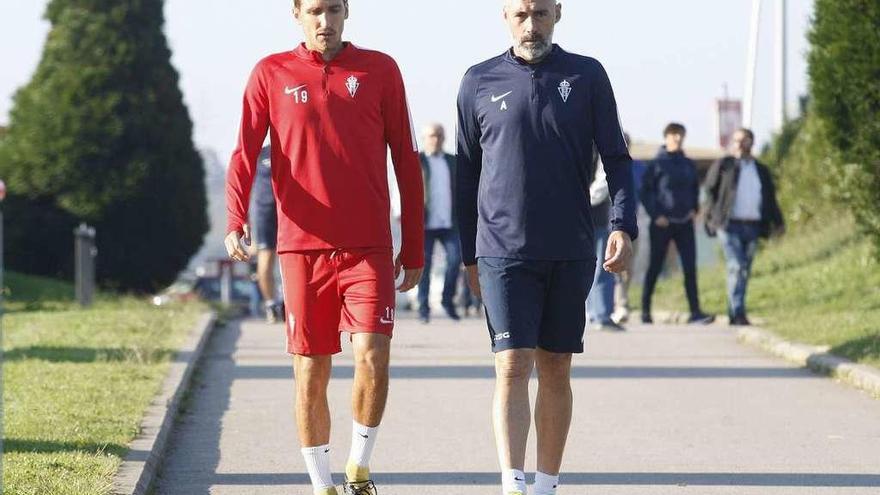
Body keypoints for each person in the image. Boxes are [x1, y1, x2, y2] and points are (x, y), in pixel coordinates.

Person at [224, 1, 425, 493]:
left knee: (373, 354)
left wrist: (413, 244)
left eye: (334, 9)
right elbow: (244, 152)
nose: (325, 20)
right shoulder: (270, 73)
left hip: (368, 247)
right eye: (314, 10)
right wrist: (236, 216)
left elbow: (406, 159)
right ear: (296, 14)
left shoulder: (380, 70)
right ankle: (321, 484)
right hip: (301, 249)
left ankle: (358, 468)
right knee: (310, 371)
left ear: (347, 12)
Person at [456, 1, 637, 494]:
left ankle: (546, 484)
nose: (530, 24)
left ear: (558, 13)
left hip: (570, 244)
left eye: (539, 13)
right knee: (512, 362)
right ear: (504, 15)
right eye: (521, 14)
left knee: (556, 364)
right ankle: (513, 483)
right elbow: (465, 174)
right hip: (501, 247)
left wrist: (623, 225)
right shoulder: (478, 80)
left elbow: (618, 160)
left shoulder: (587, 76)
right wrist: (467, 252)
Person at [704, 128, 784, 326]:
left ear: (751, 143)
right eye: (736, 140)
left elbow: (770, 198)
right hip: (729, 225)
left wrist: (779, 222)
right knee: (737, 266)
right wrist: (710, 218)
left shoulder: (761, 170)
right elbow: (710, 192)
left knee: (743, 269)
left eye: (744, 141)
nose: (739, 144)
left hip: (753, 225)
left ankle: (734, 312)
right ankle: (738, 312)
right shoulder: (724, 165)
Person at [639, 123, 714, 324]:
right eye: (674, 135)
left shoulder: (688, 163)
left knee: (690, 267)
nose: (678, 138)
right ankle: (645, 310)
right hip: (662, 223)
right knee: (655, 266)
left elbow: (694, 189)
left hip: (684, 222)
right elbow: (645, 192)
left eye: (680, 135)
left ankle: (695, 311)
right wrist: (656, 215)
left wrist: (695, 210)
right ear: (666, 137)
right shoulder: (656, 164)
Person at [417, 123, 462, 323]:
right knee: (423, 266)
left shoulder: (453, 162)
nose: (436, 139)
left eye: (439, 135)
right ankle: (423, 307)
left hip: (449, 222)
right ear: (425, 138)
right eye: (432, 135)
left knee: (455, 260)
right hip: (424, 223)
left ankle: (447, 301)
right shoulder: (417, 161)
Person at [611, 132, 646, 324]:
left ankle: (621, 304)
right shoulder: (599, 163)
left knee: (625, 267)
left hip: (630, 223)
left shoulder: (638, 167)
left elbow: (647, 192)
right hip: (601, 222)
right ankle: (599, 307)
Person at [586, 153, 623, 331]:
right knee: (598, 266)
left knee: (600, 266)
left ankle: (598, 313)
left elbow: (603, 178)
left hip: (593, 215)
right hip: (586, 214)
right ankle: (597, 314)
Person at [251, 145, 284, 323]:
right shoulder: (261, 152)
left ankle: (272, 304)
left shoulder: (261, 152)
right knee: (268, 257)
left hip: (266, 208)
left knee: (267, 256)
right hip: (271, 208)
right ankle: (272, 304)